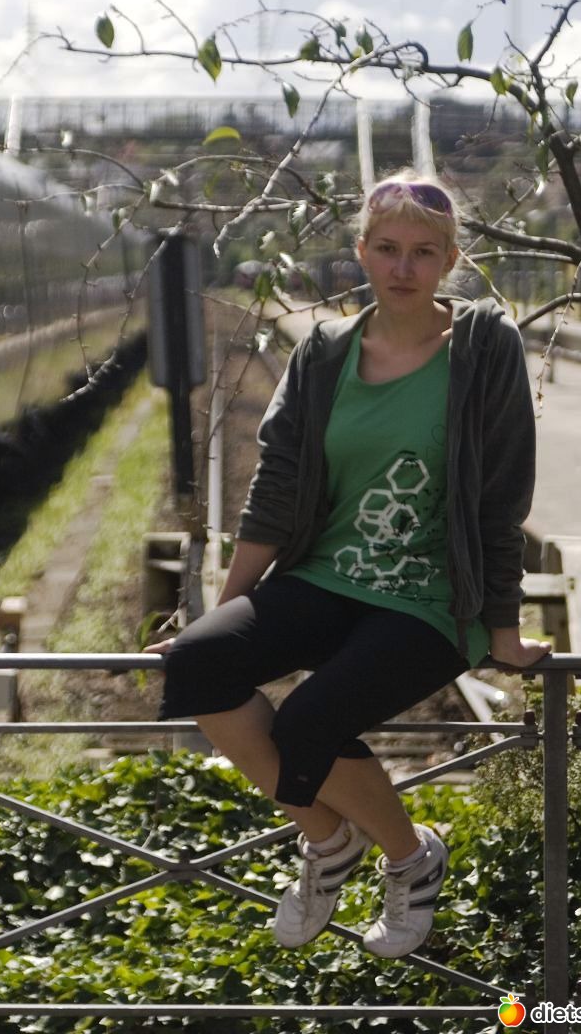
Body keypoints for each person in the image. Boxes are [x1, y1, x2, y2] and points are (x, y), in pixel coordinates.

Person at [145, 170, 549, 959]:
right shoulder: (325, 351)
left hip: (433, 598)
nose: (403, 267)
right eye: (387, 249)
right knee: (197, 663)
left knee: (309, 721)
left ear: (449, 261)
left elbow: (501, 491)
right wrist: (225, 612)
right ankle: (329, 842)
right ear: (360, 253)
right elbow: (276, 485)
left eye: (423, 253)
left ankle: (410, 858)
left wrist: (501, 627)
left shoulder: (483, 345)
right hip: (326, 576)